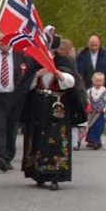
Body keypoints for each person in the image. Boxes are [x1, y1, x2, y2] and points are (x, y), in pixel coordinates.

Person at [22, 38, 79, 190]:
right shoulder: (35, 66)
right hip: (39, 107)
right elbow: (27, 86)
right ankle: (38, 173)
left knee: (56, 140)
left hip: (57, 108)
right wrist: (35, 76)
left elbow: (72, 83)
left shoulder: (63, 63)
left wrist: (60, 75)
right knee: (38, 139)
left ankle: (55, 175)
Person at [0, 33, 37, 172]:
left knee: (11, 128)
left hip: (16, 97)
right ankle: (1, 156)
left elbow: (30, 72)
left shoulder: (21, 55)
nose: (2, 42)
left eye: (5, 40)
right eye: (0, 40)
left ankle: (8, 155)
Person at [82, 72, 106, 150]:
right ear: (93, 81)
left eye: (100, 81)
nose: (98, 82)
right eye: (96, 80)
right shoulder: (89, 91)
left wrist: (104, 109)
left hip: (100, 113)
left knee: (98, 127)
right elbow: (86, 99)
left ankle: (97, 141)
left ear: (103, 81)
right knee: (90, 126)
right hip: (91, 112)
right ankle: (90, 140)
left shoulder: (105, 92)